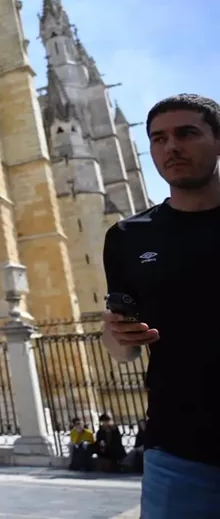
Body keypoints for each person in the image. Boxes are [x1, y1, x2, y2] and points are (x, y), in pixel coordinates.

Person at [101, 94, 220, 517]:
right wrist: (116, 334)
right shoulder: (127, 237)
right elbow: (123, 349)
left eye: (187, 133)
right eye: (158, 138)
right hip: (179, 450)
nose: (171, 147)